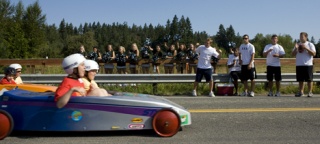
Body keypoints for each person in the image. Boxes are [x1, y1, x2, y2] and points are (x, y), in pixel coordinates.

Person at [291, 32, 316, 97]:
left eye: (302, 37)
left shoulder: (310, 44)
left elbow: (314, 54)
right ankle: (301, 92)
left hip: (308, 64)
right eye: (300, 37)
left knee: (309, 79)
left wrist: (306, 48)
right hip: (299, 64)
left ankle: (310, 92)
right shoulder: (298, 44)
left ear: (306, 37)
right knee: (300, 80)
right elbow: (293, 54)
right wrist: (296, 48)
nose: (301, 38)